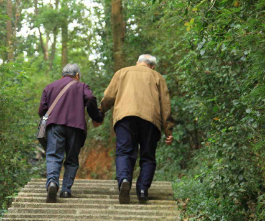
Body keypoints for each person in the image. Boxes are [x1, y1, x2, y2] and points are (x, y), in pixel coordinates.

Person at [100, 54, 174, 204]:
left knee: (124, 152)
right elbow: (165, 105)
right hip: (151, 120)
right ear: (152, 66)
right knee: (148, 156)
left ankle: (124, 180)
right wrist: (168, 129)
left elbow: (108, 96)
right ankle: (142, 190)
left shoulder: (122, 72)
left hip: (125, 117)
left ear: (137, 63)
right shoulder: (157, 77)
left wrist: (101, 111)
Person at [38, 63, 104, 203]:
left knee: (54, 156)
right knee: (72, 160)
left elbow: (41, 111)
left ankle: (52, 183)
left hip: (55, 126)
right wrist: (96, 117)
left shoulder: (50, 87)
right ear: (77, 75)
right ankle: (66, 190)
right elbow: (91, 99)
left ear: (62, 75)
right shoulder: (81, 86)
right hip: (76, 126)